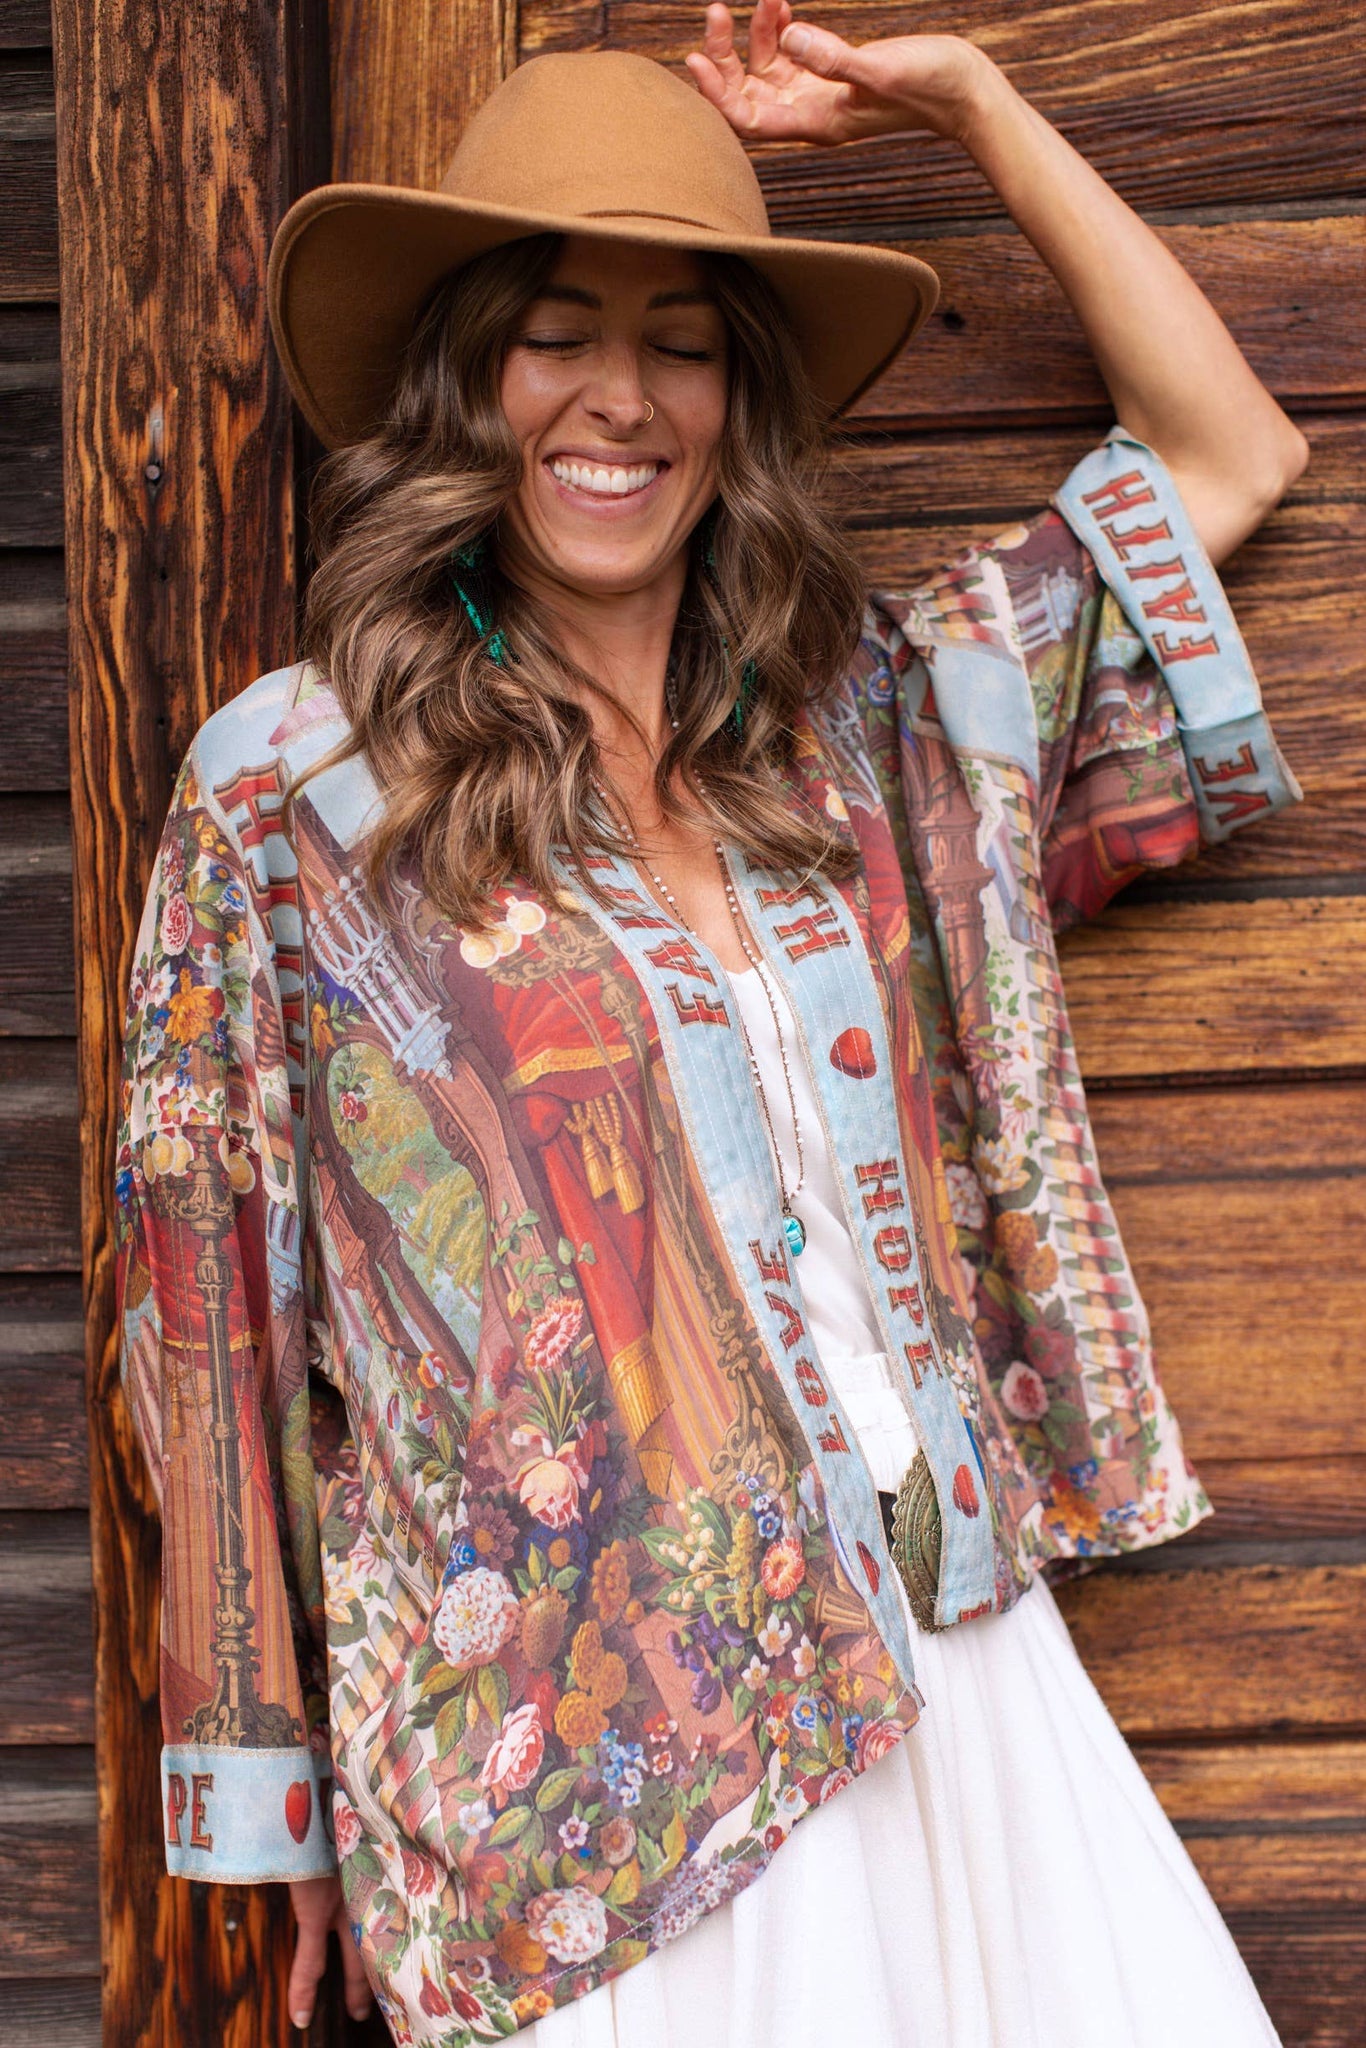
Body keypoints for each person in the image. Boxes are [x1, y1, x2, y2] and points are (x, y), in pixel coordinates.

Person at [115, 6, 1307, 2043]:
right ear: (464, 379)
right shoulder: (294, 796)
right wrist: (257, 1798)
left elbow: (1226, 454)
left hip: (938, 1666)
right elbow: (203, 1302)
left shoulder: (873, 733)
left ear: (737, 401)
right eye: (553, 333)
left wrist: (971, 101)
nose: (619, 397)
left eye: (680, 342)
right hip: (588, 1760)